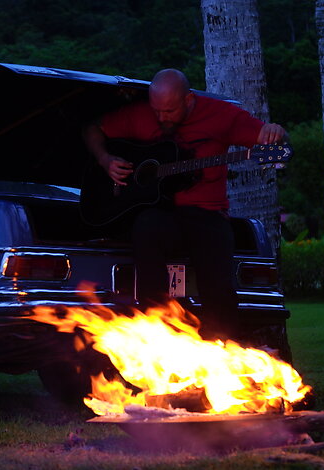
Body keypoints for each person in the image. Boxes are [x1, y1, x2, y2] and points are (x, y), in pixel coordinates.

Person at [83, 69, 287, 340]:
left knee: (218, 274)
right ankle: (155, 330)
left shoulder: (221, 115)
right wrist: (105, 159)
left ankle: (222, 343)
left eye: (169, 111)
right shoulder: (141, 114)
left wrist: (276, 134)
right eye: (157, 111)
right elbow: (93, 129)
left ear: (188, 100)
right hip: (160, 214)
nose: (161, 118)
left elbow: (271, 139)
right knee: (146, 225)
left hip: (207, 214)